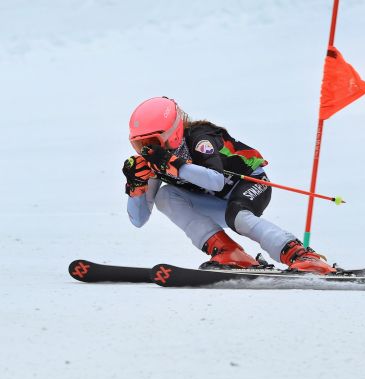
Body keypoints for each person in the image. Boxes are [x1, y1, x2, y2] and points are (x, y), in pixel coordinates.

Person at [122, 96, 338, 273]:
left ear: (173, 133)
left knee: (238, 217)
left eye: (152, 142)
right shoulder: (157, 160)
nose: (146, 150)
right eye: (139, 144)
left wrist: (176, 165)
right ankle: (230, 253)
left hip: (251, 185)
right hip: (216, 202)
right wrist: (136, 188)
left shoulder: (200, 137)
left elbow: (215, 181)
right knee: (165, 196)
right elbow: (139, 220)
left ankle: (301, 255)